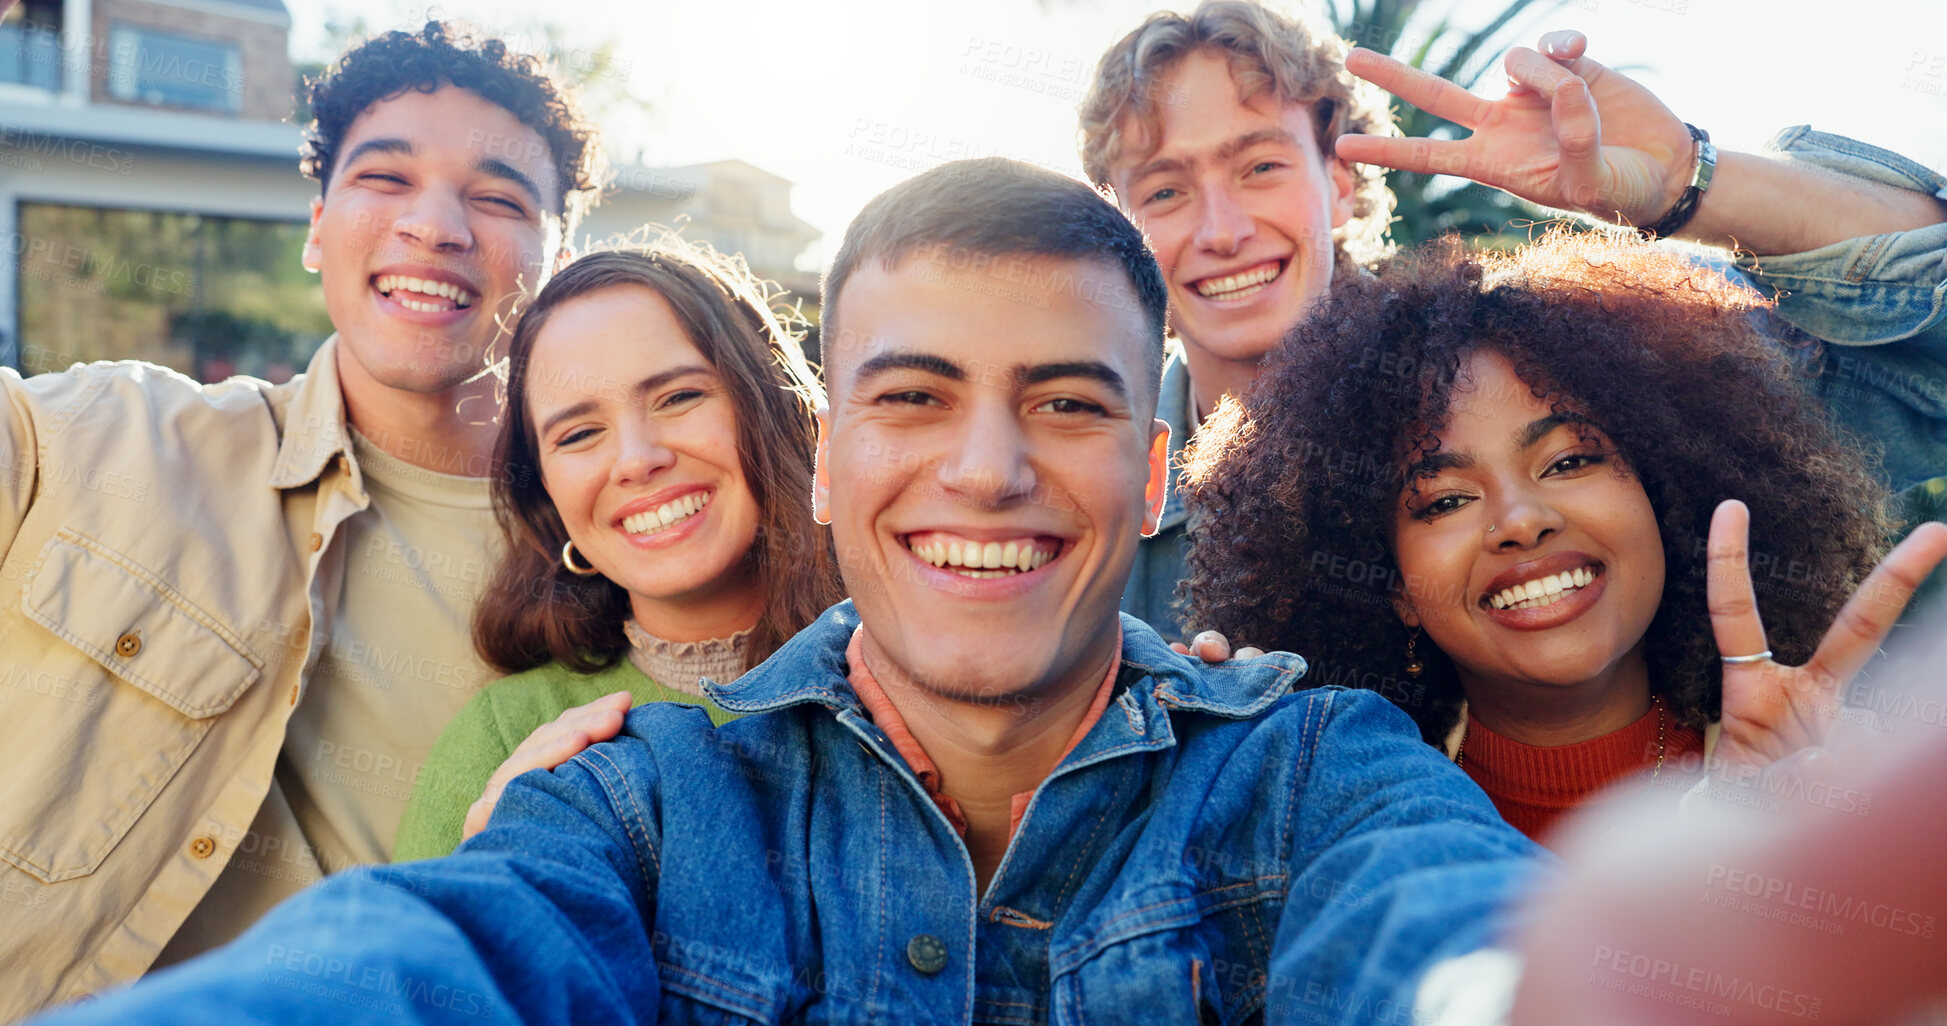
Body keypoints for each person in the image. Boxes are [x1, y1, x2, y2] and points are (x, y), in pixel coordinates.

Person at [21, 158, 1546, 1026]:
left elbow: (1463, 941)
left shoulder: (1315, 775)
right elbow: (429, 962)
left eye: (1069, 405)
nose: (987, 469)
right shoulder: (635, 798)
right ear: (827, 459)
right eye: (916, 400)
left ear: (1154, 477)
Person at [0, 21, 601, 1016]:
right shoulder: (96, 438)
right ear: (319, 226)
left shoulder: (624, 564)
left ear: (559, 261)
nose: (436, 226)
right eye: (387, 179)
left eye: (498, 199)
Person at [1078, 3, 1947, 641]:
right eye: (1164, 190)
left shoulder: (1560, 369)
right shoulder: (1081, 482)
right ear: (1118, 223)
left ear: (1340, 182)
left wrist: (1689, 179)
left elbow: (1924, 368)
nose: (1220, 229)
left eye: (1260, 165)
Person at [1178, 232, 1947, 844]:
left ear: (1662, 494)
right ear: (1392, 588)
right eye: (1443, 501)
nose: (1519, 520)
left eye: (1571, 459)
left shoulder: (1848, 780)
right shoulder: (1315, 825)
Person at [391, 241, 843, 859]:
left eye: (679, 397)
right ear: (548, 497)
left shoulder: (904, 676)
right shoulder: (505, 734)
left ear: (777, 405)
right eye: (579, 434)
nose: (636, 459)